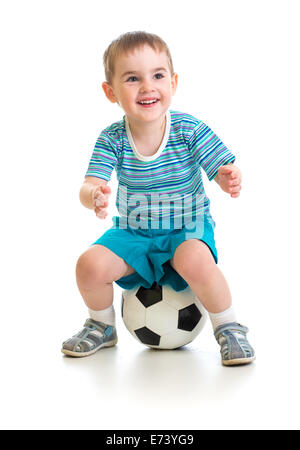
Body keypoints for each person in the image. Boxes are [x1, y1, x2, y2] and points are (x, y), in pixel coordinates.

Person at [61, 31, 255, 366]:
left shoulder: (188, 129)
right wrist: (93, 194)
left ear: (173, 83)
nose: (148, 86)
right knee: (88, 265)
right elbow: (88, 184)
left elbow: (222, 165)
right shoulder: (113, 138)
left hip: (186, 228)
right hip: (135, 232)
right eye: (133, 78)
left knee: (195, 260)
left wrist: (227, 176)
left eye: (158, 75)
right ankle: (101, 324)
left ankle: (228, 326)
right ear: (111, 92)